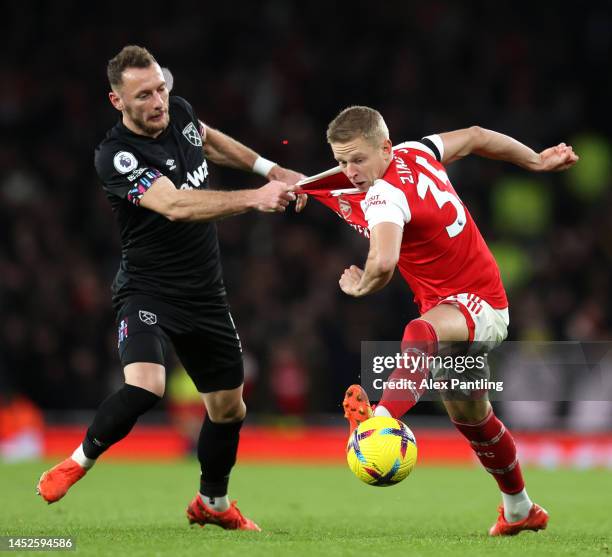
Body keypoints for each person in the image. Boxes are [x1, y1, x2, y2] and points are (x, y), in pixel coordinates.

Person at [36, 45, 304, 532]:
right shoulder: (115, 156)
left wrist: (271, 169)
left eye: (161, 87)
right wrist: (256, 197)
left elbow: (208, 139)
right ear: (117, 101)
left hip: (205, 295)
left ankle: (213, 503)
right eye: (144, 95)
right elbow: (176, 205)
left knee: (229, 409)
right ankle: (78, 461)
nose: (159, 100)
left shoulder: (177, 111)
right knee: (147, 385)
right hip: (148, 291)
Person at [309, 106, 577, 536]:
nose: (349, 171)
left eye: (357, 160)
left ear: (384, 147)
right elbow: (474, 135)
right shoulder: (417, 152)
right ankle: (520, 508)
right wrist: (534, 160)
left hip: (479, 305)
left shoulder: (384, 195)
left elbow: (383, 262)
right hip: (460, 306)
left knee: (421, 331)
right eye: (341, 161)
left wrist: (359, 285)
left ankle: (380, 418)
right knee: (473, 417)